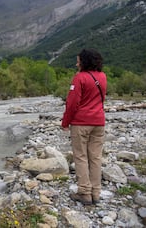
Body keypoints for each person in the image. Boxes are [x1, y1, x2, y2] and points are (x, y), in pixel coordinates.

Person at [61, 48, 107, 205]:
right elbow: (101, 99)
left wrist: (65, 122)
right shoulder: (103, 76)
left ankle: (84, 193)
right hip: (99, 122)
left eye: (78, 60)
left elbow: (72, 103)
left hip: (81, 123)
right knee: (95, 158)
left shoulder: (79, 78)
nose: (76, 63)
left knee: (80, 157)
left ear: (84, 61)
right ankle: (96, 193)